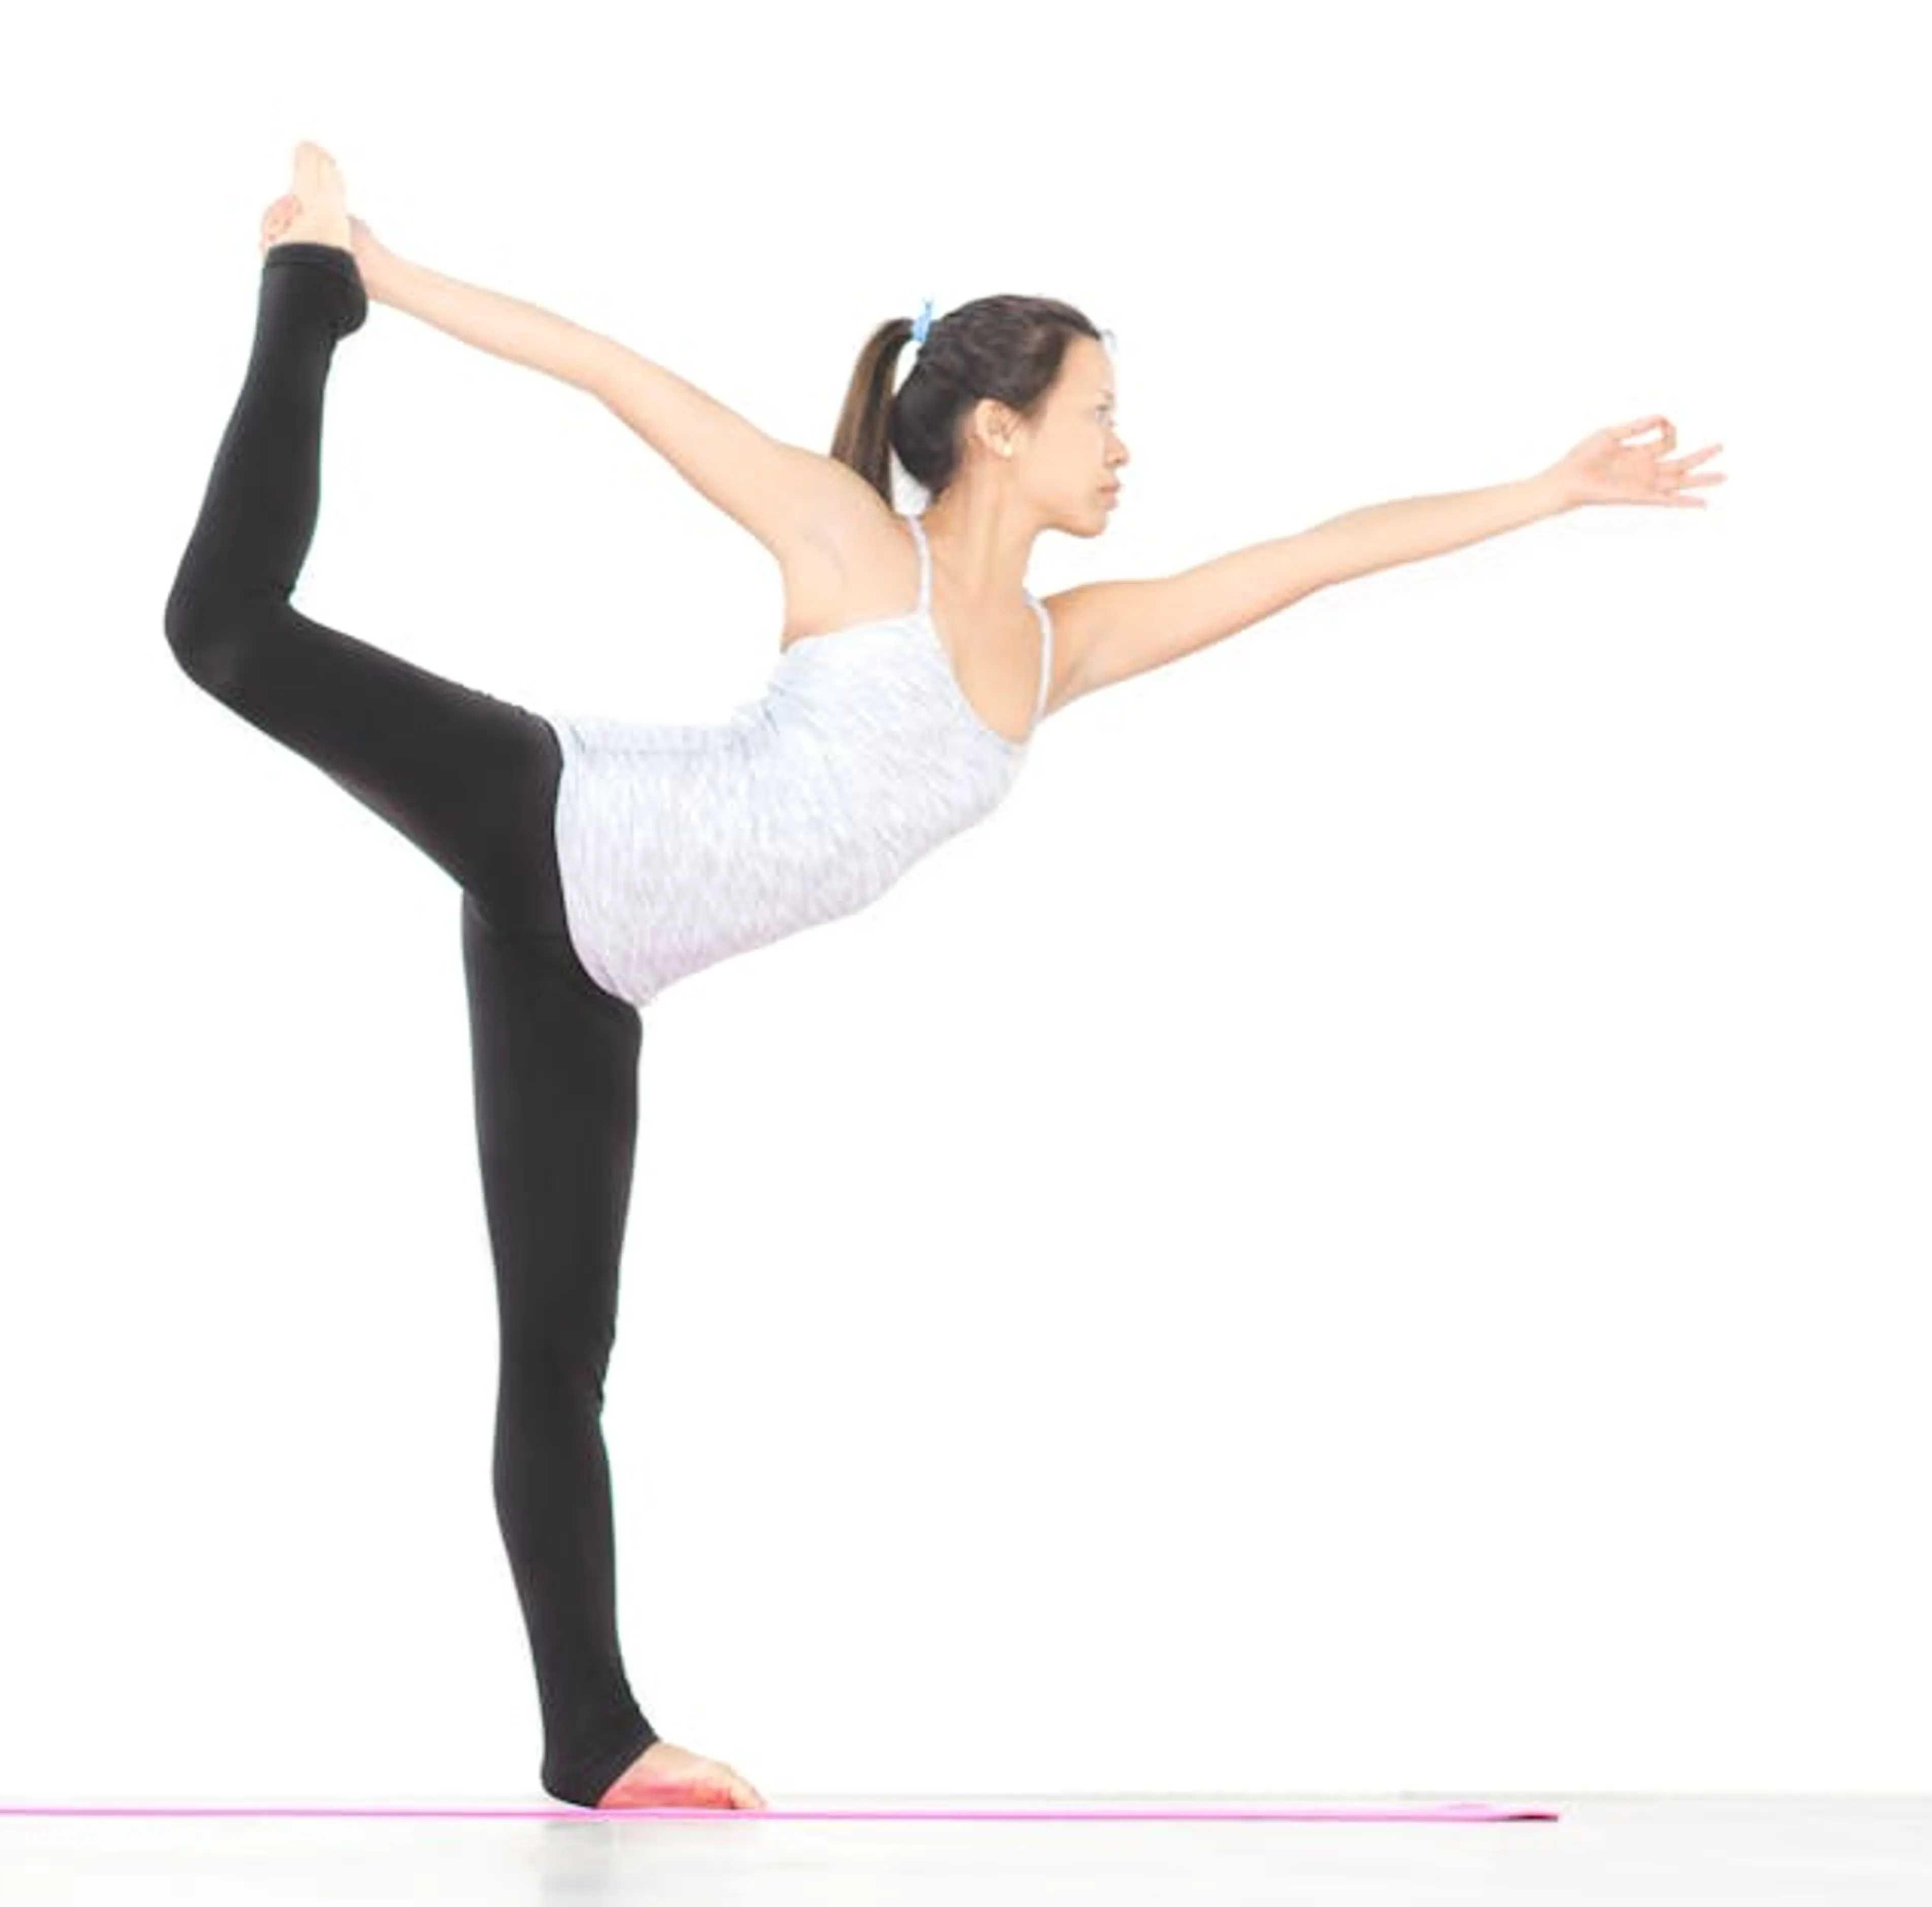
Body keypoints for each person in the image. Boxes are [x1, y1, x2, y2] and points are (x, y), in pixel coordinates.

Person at [161, 141, 1723, 1814]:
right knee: (228, 632)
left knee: (558, 1353)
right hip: (562, 814)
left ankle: (592, 1741)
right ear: (1000, 427)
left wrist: (1547, 492)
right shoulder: (849, 544)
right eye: (1098, 412)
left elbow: (1319, 554)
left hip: (602, 969)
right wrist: (378, 272)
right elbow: (614, 371)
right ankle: (301, 295)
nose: (1123, 447)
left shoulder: (1061, 649)